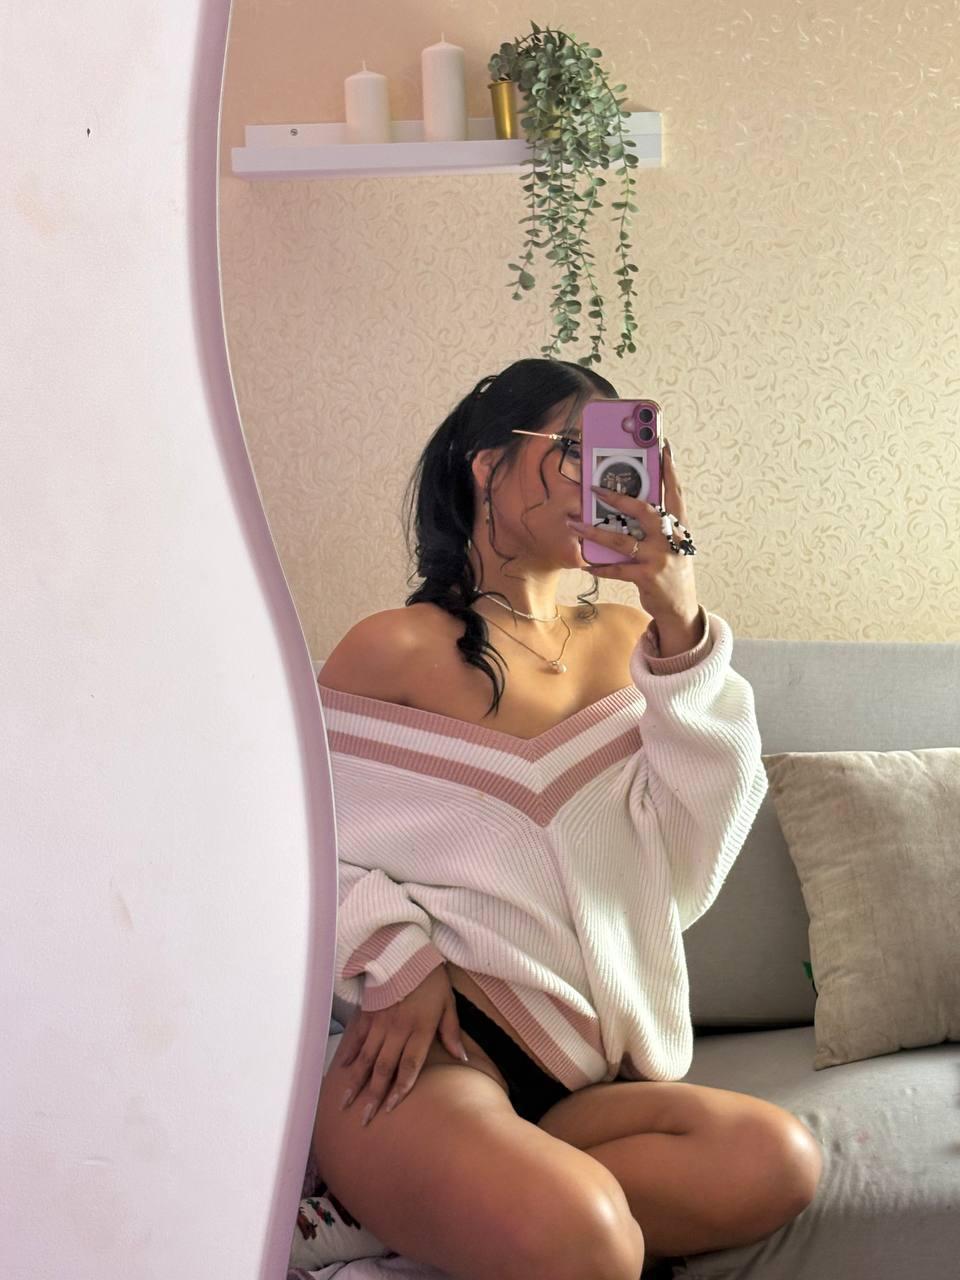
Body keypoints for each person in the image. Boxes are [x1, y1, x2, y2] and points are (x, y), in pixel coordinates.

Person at [309, 359, 823, 1280]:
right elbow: (293, 851)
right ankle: (430, 1191)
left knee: (780, 1160)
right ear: (487, 465)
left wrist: (679, 615)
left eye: (618, 454)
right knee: (596, 1243)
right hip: (434, 1060)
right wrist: (395, 955)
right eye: (574, 450)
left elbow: (700, 842)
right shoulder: (390, 649)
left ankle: (453, 1214)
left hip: (589, 1083)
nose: (605, 478)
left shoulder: (635, 647)